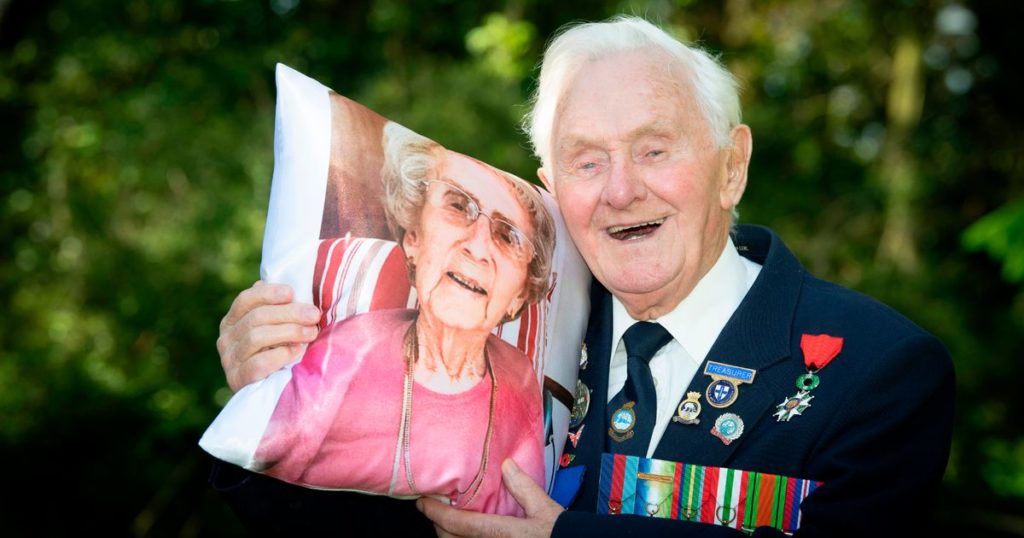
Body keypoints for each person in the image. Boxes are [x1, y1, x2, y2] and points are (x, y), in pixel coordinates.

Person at [216, 16, 954, 537]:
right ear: (550, 190)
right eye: (586, 161)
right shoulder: (515, 342)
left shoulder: (881, 371)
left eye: (655, 149)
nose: (621, 190)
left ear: (733, 166)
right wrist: (269, 402)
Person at [210, 122, 556, 529]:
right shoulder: (347, 353)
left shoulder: (522, 379)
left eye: (508, 236)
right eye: (459, 207)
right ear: (413, 239)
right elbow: (269, 493)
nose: (478, 247)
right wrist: (259, 393)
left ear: (521, 293)